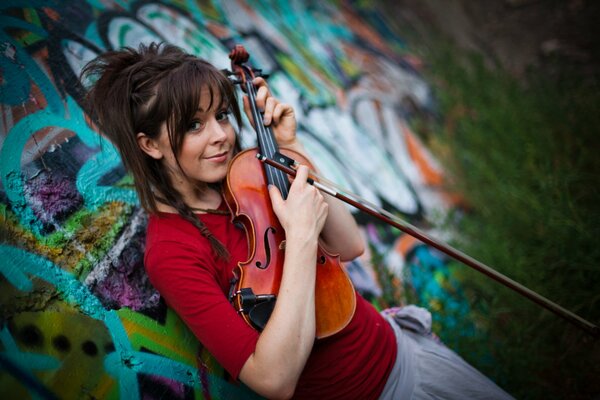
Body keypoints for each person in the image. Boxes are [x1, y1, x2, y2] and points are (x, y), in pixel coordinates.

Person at [82, 42, 514, 400]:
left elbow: (348, 245)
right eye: (194, 125)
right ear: (149, 144)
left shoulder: (250, 178)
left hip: (404, 352)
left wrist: (291, 150)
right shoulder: (172, 253)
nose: (220, 135)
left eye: (222, 116)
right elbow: (273, 379)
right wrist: (302, 239)